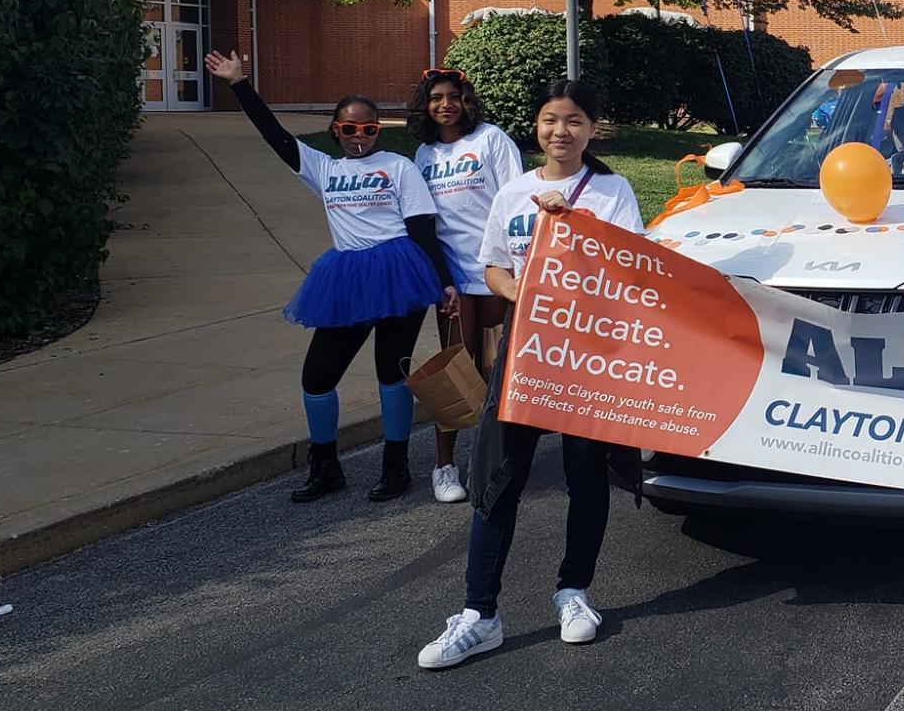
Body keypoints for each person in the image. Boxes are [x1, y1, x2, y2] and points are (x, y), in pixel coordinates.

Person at [418, 79, 645, 670]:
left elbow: (630, 268)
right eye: (549, 121)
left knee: (585, 476)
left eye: (573, 121)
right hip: (526, 352)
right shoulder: (513, 192)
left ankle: (574, 593)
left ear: (592, 128)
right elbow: (492, 265)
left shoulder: (612, 192)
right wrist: (520, 290)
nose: (560, 132)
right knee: (497, 474)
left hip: (588, 355)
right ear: (536, 128)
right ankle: (478, 614)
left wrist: (571, 223)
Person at [204, 50, 454, 503]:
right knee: (317, 377)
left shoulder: (399, 168)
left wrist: (443, 282)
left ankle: (395, 468)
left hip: (400, 273)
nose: (358, 137)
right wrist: (239, 84)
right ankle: (326, 468)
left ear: (378, 130)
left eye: (368, 129)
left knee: (390, 374)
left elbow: (422, 228)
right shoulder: (324, 168)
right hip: (345, 278)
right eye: (348, 128)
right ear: (335, 129)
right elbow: (274, 136)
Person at [409, 68, 526, 504]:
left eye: (452, 96)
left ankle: (495, 460)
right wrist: (439, 279)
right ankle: (444, 466)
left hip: (495, 271)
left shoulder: (491, 139)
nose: (445, 105)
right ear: (425, 105)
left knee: (497, 371)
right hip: (453, 279)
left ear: (466, 100)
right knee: (455, 370)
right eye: (436, 98)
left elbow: (514, 201)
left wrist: (517, 266)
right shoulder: (423, 155)